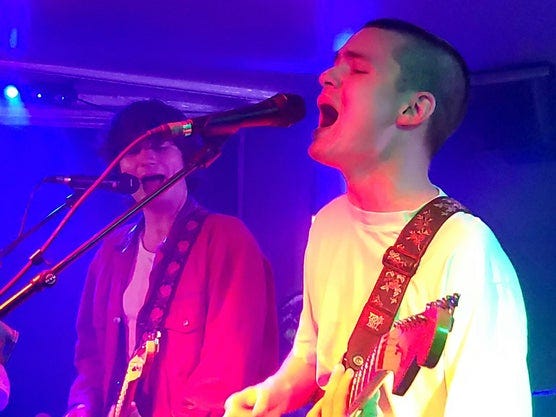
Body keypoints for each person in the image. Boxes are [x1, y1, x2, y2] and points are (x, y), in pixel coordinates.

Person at [224, 18, 531, 417]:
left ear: (413, 109)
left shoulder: (466, 249)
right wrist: (274, 394)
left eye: (357, 69)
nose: (326, 77)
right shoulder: (329, 223)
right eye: (336, 64)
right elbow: (313, 356)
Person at [65, 100, 279, 417]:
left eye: (160, 147)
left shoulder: (227, 239)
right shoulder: (111, 250)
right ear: (118, 168)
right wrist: (82, 408)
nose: (146, 159)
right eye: (133, 150)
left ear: (187, 158)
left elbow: (229, 369)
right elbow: (91, 359)